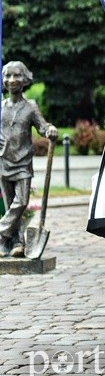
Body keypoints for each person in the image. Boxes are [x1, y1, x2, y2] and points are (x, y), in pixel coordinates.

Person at [0, 61, 58, 257]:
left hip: (23, 162)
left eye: (16, 76)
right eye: (7, 76)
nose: (11, 80)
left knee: (22, 201)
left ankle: (1, 233)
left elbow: (42, 127)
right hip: (3, 161)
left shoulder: (30, 107)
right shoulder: (1, 106)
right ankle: (15, 243)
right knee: (10, 205)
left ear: (25, 79)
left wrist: (49, 129)